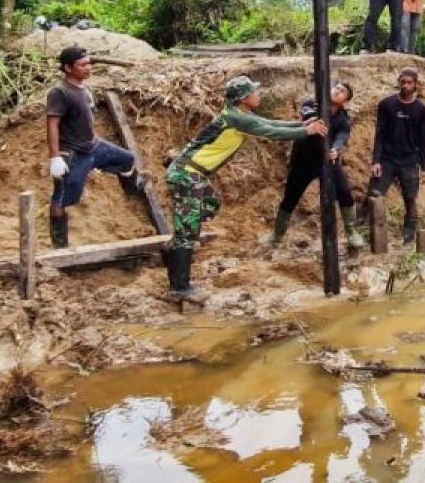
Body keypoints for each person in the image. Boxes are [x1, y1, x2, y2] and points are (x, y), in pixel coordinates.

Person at [165, 76, 327, 303]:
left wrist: (303, 125)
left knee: (211, 204)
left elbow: (271, 124)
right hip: (187, 173)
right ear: (243, 98)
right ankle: (179, 286)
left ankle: (178, 244)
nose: (258, 94)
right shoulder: (236, 119)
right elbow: (271, 133)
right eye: (254, 92)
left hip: (196, 174)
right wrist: (306, 132)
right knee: (187, 231)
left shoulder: (240, 116)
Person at [46, 46, 146, 248]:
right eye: (82, 65)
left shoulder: (85, 89)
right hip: (73, 152)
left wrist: (93, 139)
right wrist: (55, 157)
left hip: (93, 146)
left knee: (126, 159)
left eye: (89, 63)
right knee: (61, 197)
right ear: (67, 68)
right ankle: (59, 245)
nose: (88, 67)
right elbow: (52, 124)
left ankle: (132, 192)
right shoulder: (60, 92)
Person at [271, 82, 364, 249]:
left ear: (345, 101)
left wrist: (336, 149)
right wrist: (317, 120)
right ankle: (277, 235)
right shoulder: (311, 104)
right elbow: (308, 118)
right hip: (303, 160)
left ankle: (351, 231)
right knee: (290, 197)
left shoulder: (343, 119)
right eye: (336, 87)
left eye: (342, 91)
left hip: (327, 162)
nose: (337, 90)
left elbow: (342, 135)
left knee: (344, 192)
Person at [369, 67, 425, 244]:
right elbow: (379, 134)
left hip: (410, 160)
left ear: (415, 84)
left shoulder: (421, 109)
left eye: (409, 82)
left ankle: (409, 235)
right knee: (374, 195)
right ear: (398, 82)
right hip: (387, 159)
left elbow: (424, 139)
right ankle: (371, 234)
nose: (405, 85)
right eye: (402, 82)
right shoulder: (386, 105)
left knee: (410, 199)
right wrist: (376, 161)